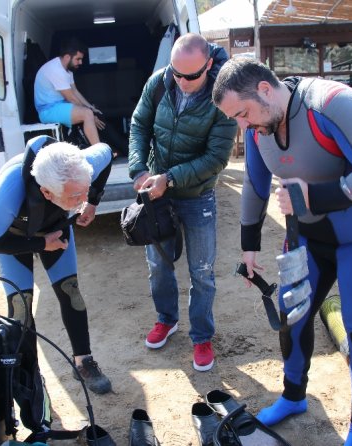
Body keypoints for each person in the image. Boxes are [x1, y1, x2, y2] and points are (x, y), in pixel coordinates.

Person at [211, 58, 352, 445]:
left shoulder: (334, 104)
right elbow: (255, 184)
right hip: (308, 234)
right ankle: (293, 396)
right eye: (234, 118)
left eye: (242, 113)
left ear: (265, 90)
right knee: (293, 316)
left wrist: (313, 195)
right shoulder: (258, 128)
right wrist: (248, 246)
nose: (242, 125)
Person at [128, 33, 237, 372]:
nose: (183, 81)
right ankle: (167, 319)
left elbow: (216, 158)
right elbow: (139, 125)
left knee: (201, 272)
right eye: (177, 73)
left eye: (191, 75)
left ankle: (202, 336)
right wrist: (138, 168)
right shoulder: (159, 83)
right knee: (158, 265)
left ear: (208, 65)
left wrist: (170, 178)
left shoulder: (224, 97)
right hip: (156, 195)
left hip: (197, 196)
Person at [0, 137, 113, 394]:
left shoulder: (81, 166)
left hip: (55, 227)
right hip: (13, 236)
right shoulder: (10, 190)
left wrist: (93, 200)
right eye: (76, 195)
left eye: (84, 189)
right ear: (47, 192)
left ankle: (83, 362)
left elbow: (106, 151)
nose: (81, 198)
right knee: (21, 306)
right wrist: (41, 245)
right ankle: (30, 376)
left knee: (71, 291)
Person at [34, 38, 105, 146]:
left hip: (60, 105)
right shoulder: (56, 70)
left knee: (90, 112)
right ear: (67, 57)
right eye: (78, 59)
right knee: (87, 114)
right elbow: (71, 98)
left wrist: (91, 107)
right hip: (48, 110)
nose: (80, 62)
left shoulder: (67, 69)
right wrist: (90, 113)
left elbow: (75, 91)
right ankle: (100, 152)